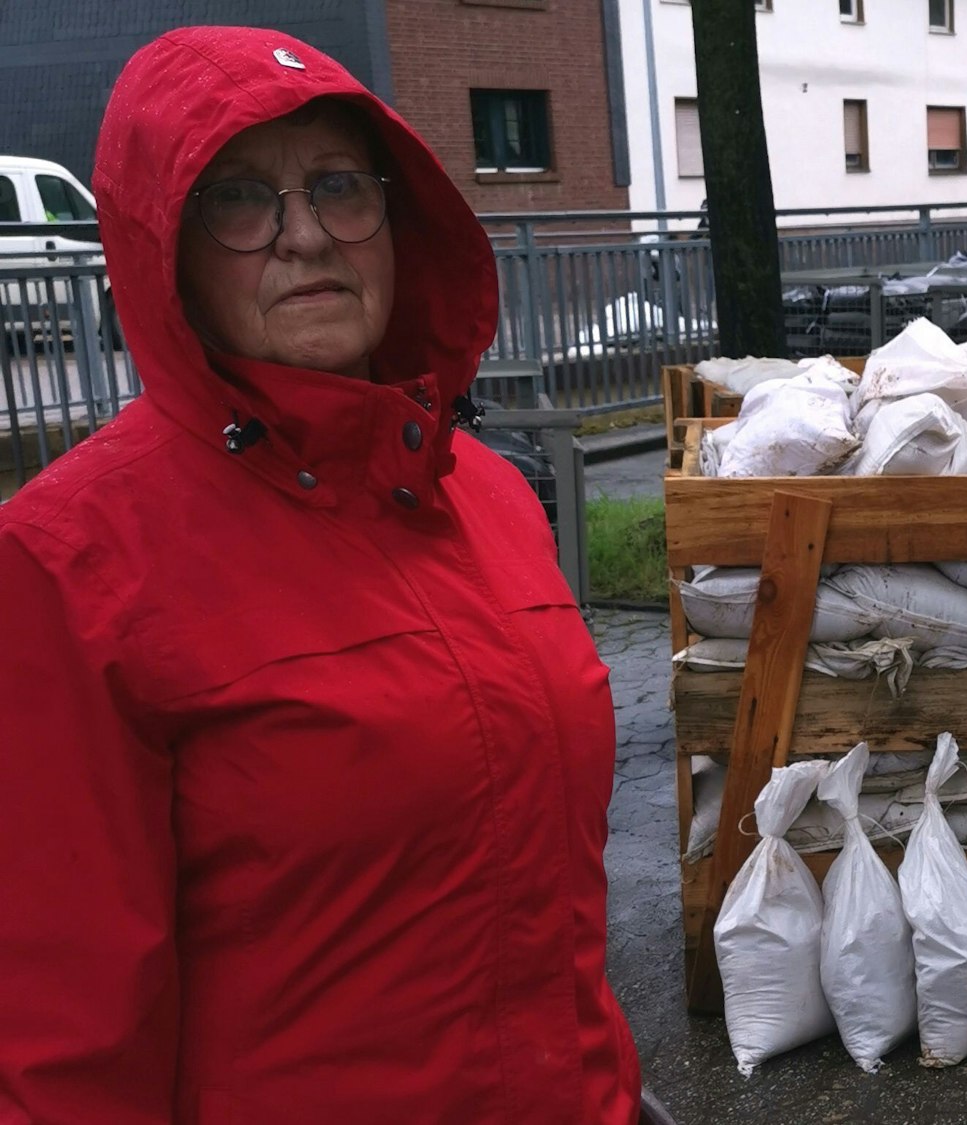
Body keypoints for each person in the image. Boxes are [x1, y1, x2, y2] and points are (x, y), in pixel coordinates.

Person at [0, 28, 648, 1123]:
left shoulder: (481, 492)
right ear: (164, 249)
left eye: (341, 187)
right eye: (240, 200)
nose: (305, 237)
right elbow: (63, 1038)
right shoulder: (70, 565)